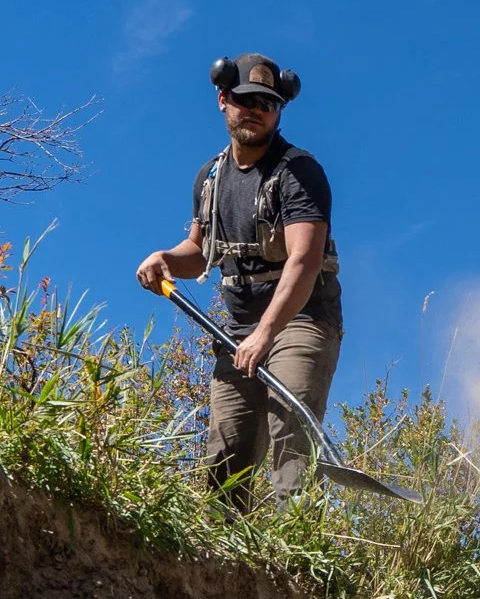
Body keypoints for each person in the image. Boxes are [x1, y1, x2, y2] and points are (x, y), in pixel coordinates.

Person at [133, 53, 343, 505]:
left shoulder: (299, 173)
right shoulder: (210, 177)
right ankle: (226, 561)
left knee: (291, 430)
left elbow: (304, 262)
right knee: (226, 451)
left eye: (266, 104)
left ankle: (297, 557)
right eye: (245, 100)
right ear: (223, 99)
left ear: (279, 110)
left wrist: (266, 334)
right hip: (238, 331)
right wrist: (165, 258)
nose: (255, 110)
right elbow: (199, 252)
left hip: (299, 320)